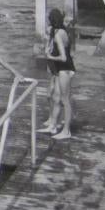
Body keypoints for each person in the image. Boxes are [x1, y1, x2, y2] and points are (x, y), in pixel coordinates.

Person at [43, 8, 75, 140]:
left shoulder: (58, 34)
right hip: (61, 69)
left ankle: (66, 131)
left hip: (65, 69)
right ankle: (53, 126)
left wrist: (50, 56)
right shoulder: (62, 31)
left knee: (65, 100)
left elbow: (63, 58)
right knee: (56, 98)